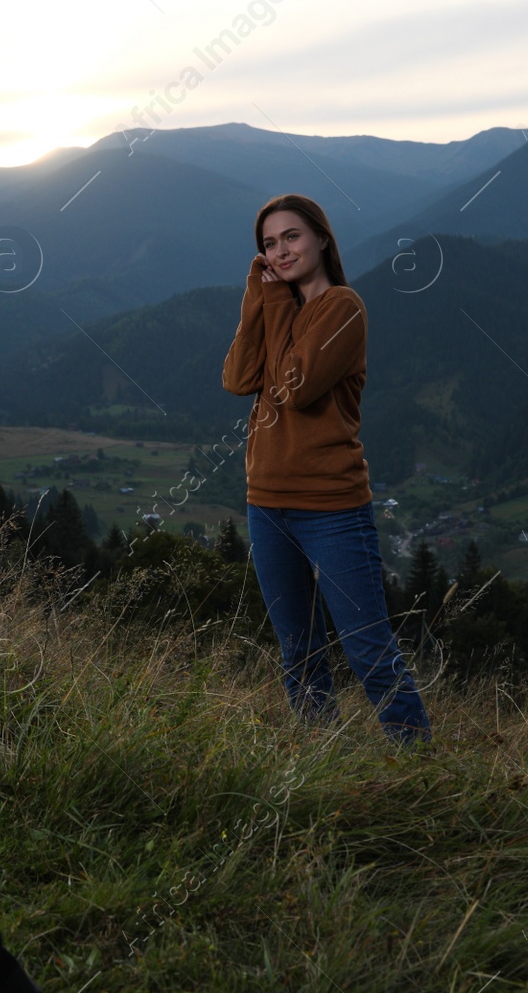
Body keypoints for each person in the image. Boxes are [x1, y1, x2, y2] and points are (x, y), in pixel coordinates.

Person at [221, 193, 431, 745]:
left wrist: (275, 304)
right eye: (268, 244)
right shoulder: (275, 307)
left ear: (321, 238)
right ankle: (324, 764)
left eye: (291, 236)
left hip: (331, 507)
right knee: (299, 650)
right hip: (266, 503)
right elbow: (239, 377)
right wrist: (256, 296)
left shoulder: (343, 308)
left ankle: (422, 770)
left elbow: (292, 388)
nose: (280, 251)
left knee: (367, 646)